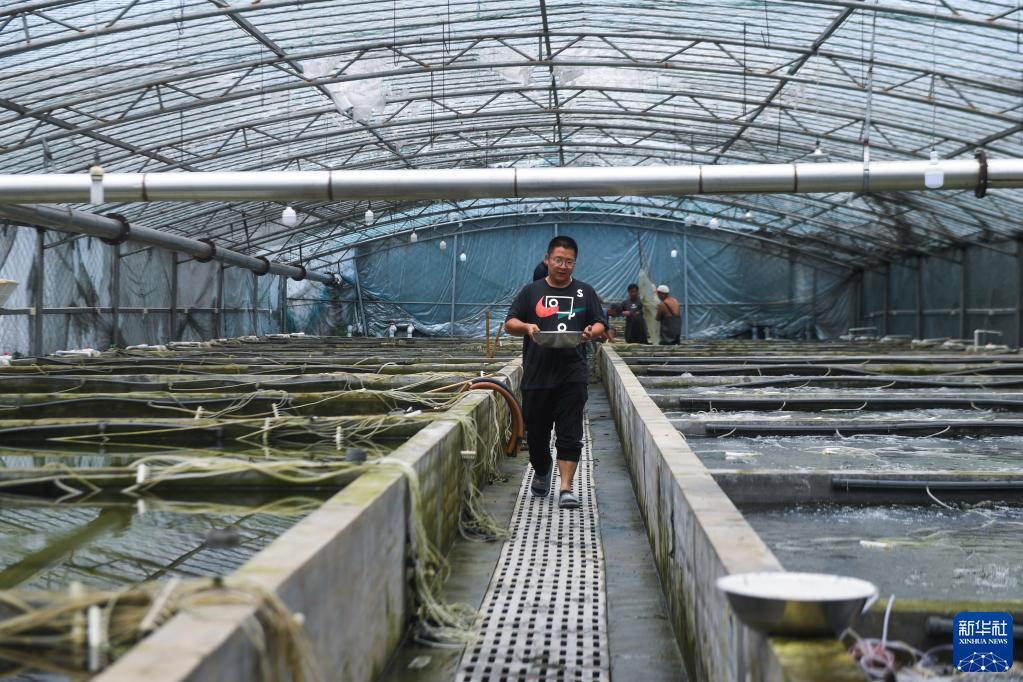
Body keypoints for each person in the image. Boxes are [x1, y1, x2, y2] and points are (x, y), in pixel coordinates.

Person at [506, 236, 606, 509]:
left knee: (569, 431)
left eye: (569, 261)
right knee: (536, 434)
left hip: (572, 373)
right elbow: (510, 322)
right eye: (559, 260)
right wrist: (527, 327)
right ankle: (542, 467)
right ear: (548, 259)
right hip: (537, 375)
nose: (563, 266)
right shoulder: (531, 291)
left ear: (575, 262)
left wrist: (590, 332)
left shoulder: (585, 291)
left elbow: (600, 323)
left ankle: (566, 488)